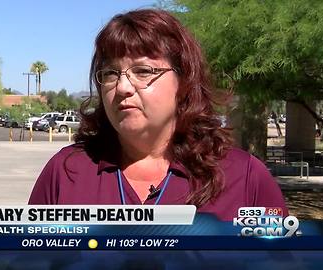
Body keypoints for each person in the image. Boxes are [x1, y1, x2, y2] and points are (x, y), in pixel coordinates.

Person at [28, 9, 288, 221]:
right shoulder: (66, 171)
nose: (122, 87)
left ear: (184, 80)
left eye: (143, 71)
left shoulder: (244, 177)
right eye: (110, 73)